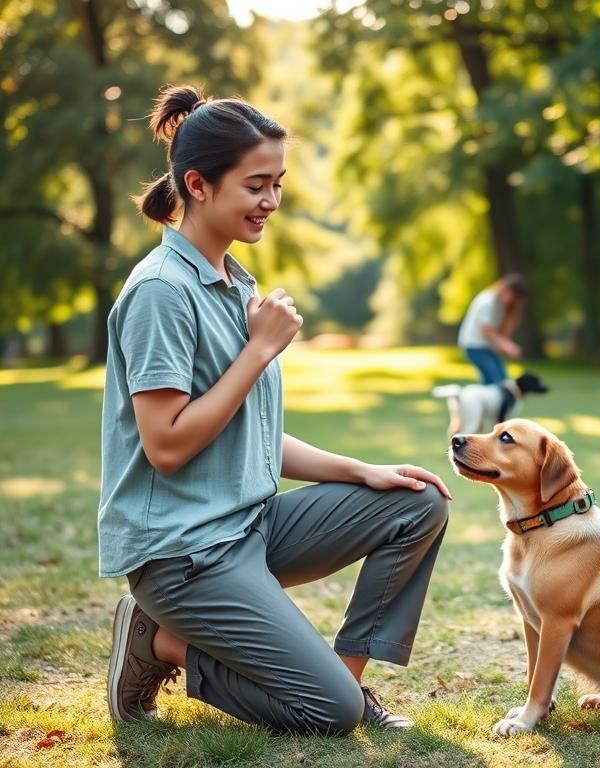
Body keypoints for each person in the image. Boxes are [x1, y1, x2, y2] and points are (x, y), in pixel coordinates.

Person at [99, 85, 452, 736]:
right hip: (184, 556)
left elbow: (248, 433)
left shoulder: (237, 283)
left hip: (248, 526)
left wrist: (360, 471)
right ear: (199, 185)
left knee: (417, 503)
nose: (272, 202)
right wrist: (257, 352)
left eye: (278, 183)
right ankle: (159, 642)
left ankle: (345, 682)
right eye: (256, 185)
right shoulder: (160, 292)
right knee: (327, 718)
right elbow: (168, 446)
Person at [457, 273, 526, 384]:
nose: (510, 299)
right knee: (494, 380)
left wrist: (503, 347)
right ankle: (481, 400)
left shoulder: (504, 306)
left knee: (502, 381)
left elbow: (503, 331)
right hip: (474, 345)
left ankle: (487, 399)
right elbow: (486, 330)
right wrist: (507, 346)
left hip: (489, 347)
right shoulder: (488, 301)